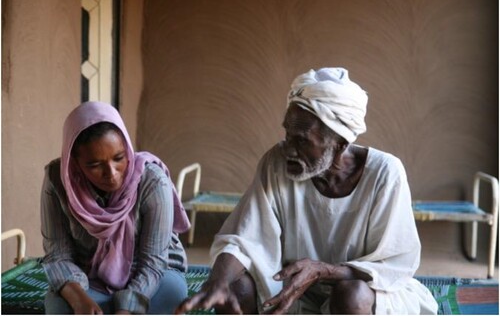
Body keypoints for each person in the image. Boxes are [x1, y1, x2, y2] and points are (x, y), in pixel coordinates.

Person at [176, 67, 438, 315]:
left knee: (351, 295)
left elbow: (392, 266)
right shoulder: (276, 162)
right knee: (235, 287)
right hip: (290, 289)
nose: (289, 148)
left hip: (365, 291)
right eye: (288, 135)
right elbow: (245, 237)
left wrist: (324, 271)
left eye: (302, 140)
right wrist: (218, 281)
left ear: (339, 143)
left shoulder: (385, 173)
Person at [40, 101, 191, 314]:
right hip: (88, 278)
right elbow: (58, 253)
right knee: (59, 307)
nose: (111, 173)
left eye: (119, 158)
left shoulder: (152, 182)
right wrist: (77, 297)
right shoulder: (58, 180)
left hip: (155, 278)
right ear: (74, 163)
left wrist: (127, 308)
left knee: (172, 295)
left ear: (127, 149)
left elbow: (153, 263)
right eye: (94, 165)